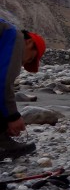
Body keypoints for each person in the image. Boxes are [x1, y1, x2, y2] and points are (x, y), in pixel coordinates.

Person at [0, 19, 46, 160]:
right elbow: (3, 81)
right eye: (30, 59)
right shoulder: (15, 36)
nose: (22, 63)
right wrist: (12, 117)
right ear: (30, 43)